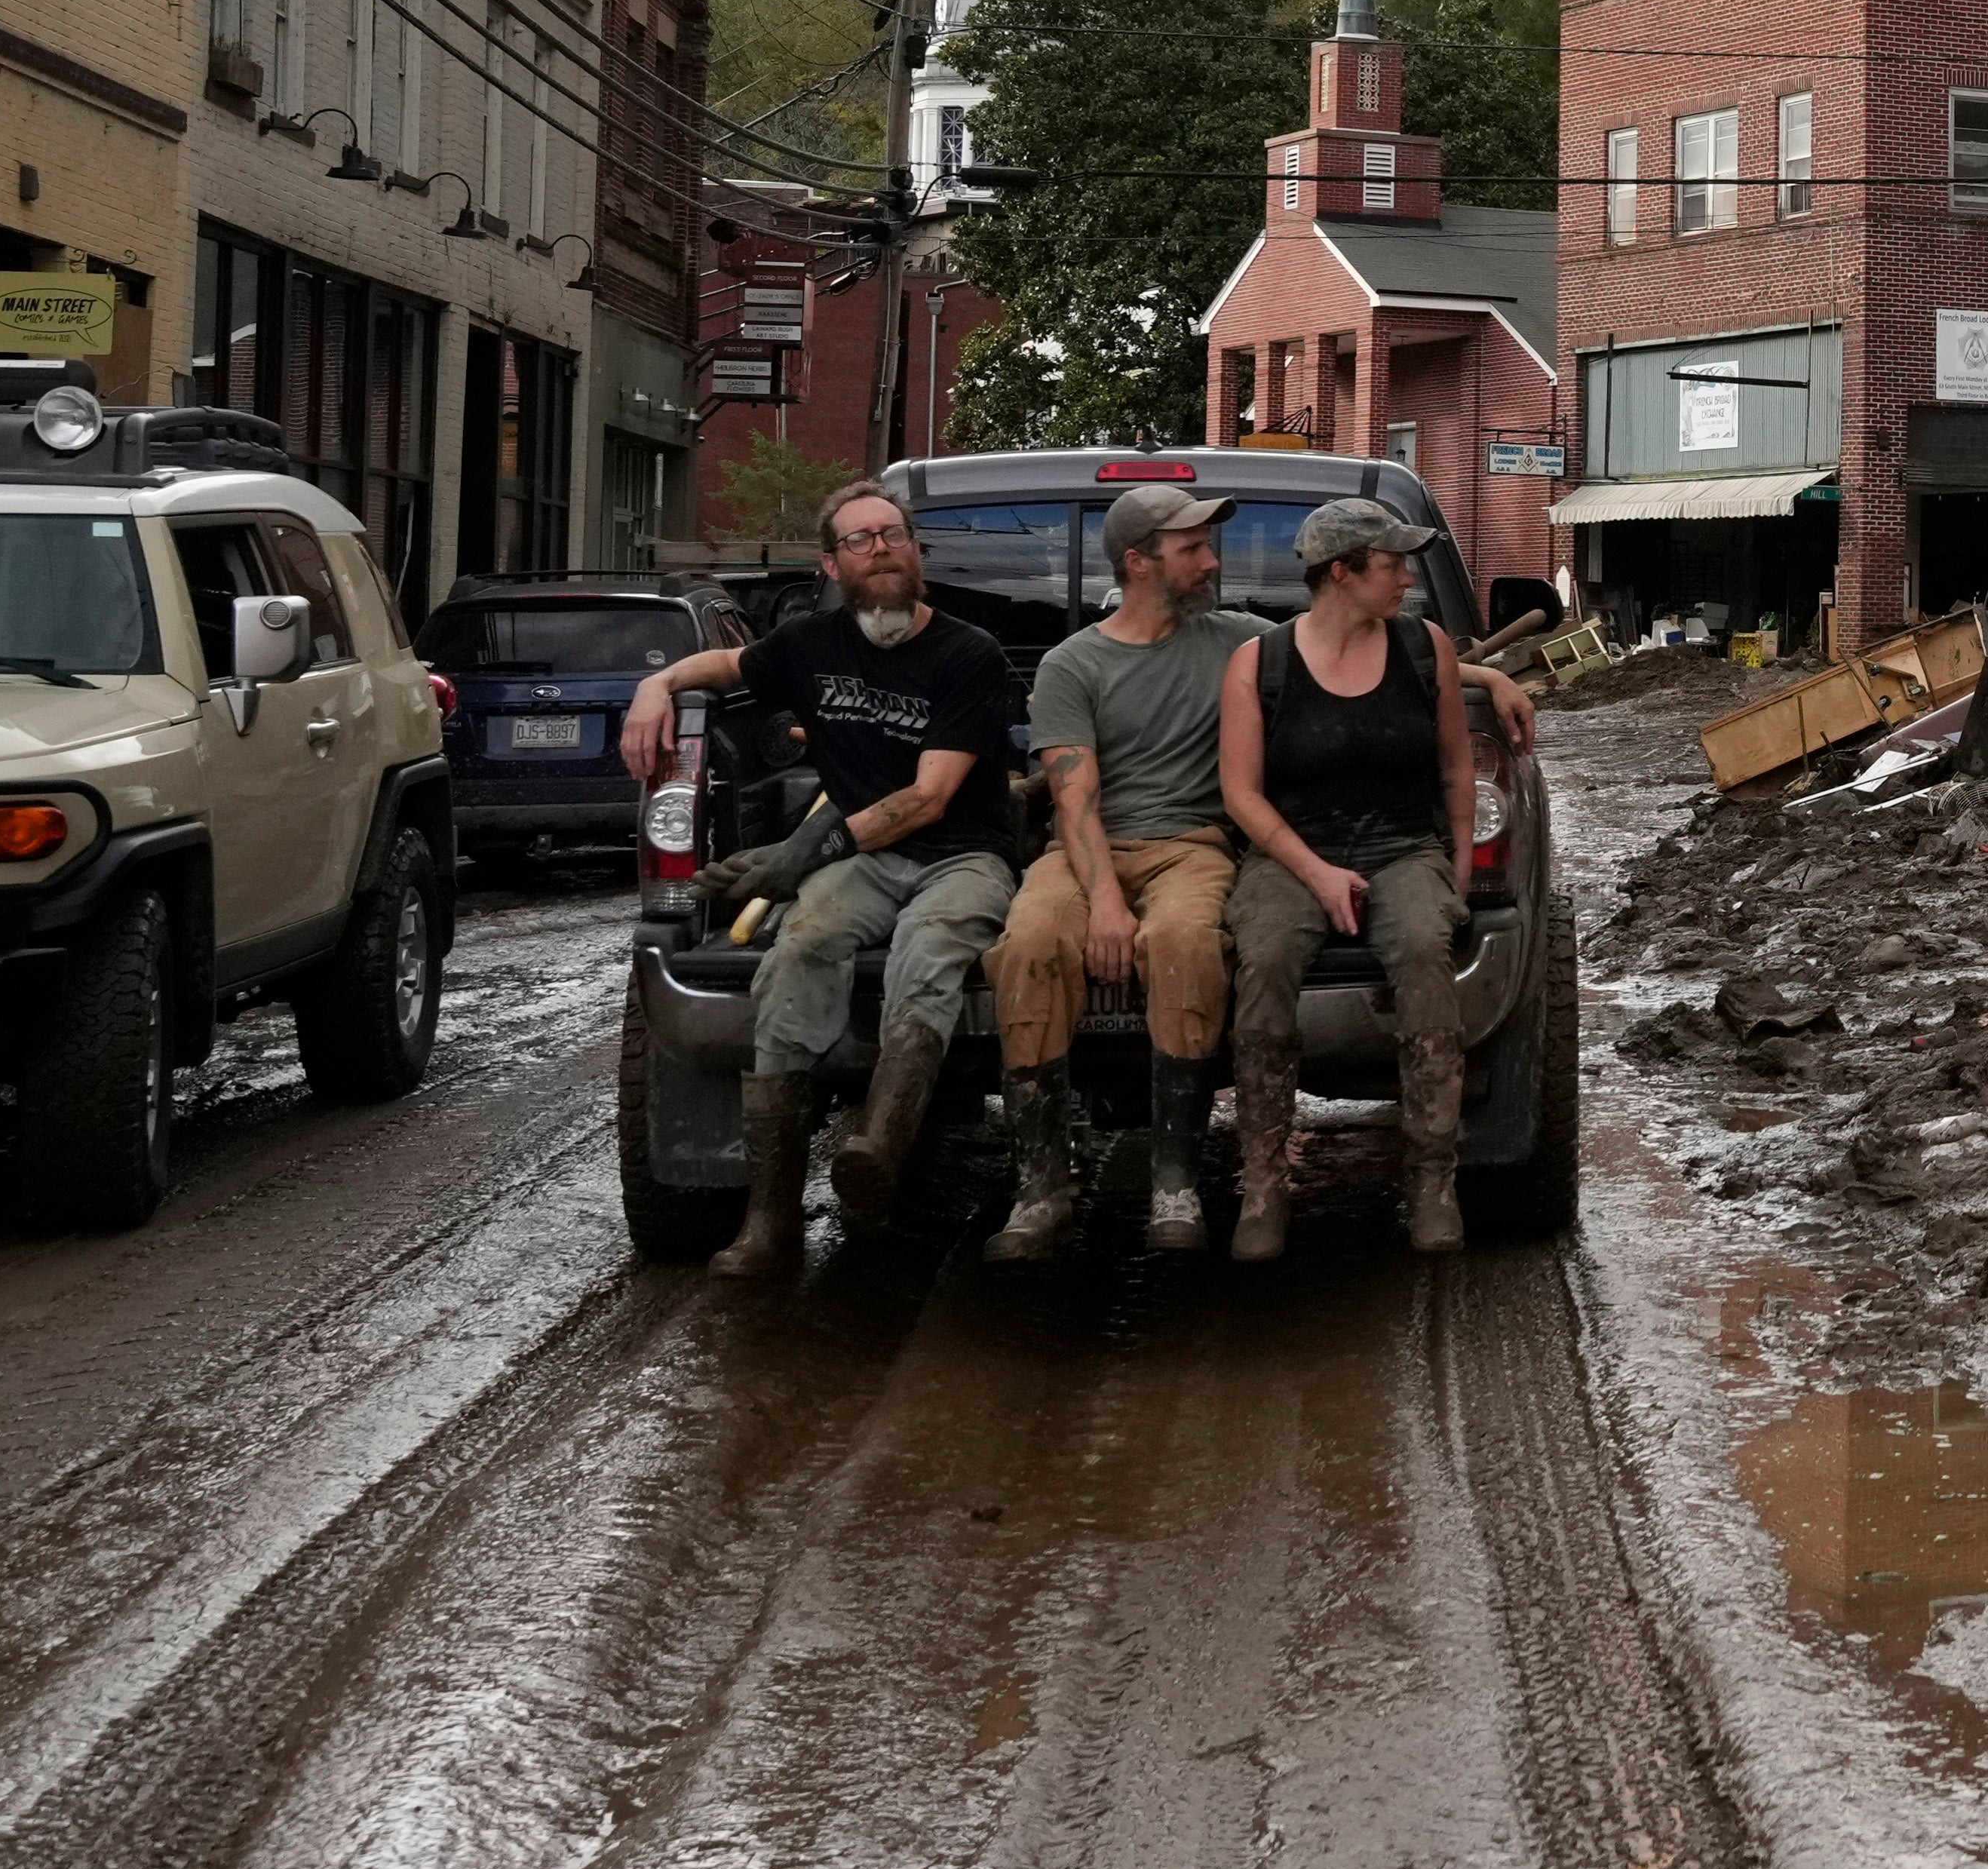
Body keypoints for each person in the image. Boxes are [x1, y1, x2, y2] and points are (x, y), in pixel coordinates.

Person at [615, 482, 1024, 1276]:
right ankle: (769, 1221)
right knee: (798, 949)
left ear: (915, 550)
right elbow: (724, 664)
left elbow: (929, 798)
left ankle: (878, 1151)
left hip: (963, 855)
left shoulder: (968, 652)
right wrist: (654, 686)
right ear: (832, 565)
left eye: (893, 535)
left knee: (927, 956)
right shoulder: (807, 643)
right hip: (862, 860)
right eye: (860, 540)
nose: (880, 550)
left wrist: (802, 852)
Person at [1216, 496, 1482, 1257]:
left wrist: (1460, 869)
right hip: (1292, 851)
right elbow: (1241, 794)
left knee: (1426, 952)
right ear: (1342, 572)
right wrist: (1318, 873)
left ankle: (1431, 1179)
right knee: (1265, 958)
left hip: (1403, 845)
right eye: (1393, 565)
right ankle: (1264, 1184)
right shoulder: (1260, 664)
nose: (1407, 579)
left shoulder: (1424, 647)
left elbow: (1456, 765)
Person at [991, 482, 1249, 1260]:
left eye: (1207, 546)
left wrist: (1484, 678)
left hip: (1190, 846)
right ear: (1139, 563)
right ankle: (1041, 1188)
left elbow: (1347, 644)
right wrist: (1105, 900)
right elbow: (1075, 800)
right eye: (1192, 549)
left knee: (1185, 942)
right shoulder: (1073, 664)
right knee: (1030, 943)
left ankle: (1175, 1183)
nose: (1210, 562)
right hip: (1086, 847)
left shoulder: (1238, 642)